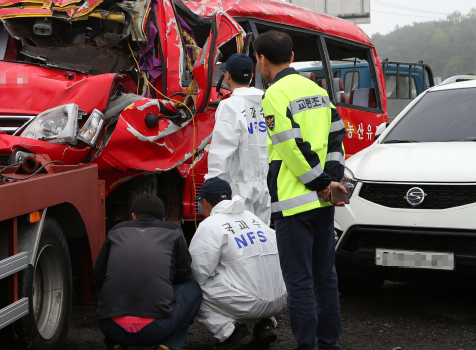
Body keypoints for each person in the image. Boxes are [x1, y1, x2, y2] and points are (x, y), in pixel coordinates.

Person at [254, 30, 348, 350]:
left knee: (300, 283)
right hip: (323, 203)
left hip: (294, 205)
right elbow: (337, 139)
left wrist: (320, 182)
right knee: (326, 279)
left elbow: (290, 146)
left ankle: (307, 346)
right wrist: (331, 182)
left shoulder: (275, 94)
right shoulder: (318, 91)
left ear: (261, 60)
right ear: (292, 57)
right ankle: (329, 345)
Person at [94, 193, 202, 350]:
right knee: (193, 288)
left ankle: (115, 343)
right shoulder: (174, 231)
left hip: (111, 327)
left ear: (133, 216)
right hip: (157, 328)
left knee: (101, 288)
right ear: (163, 219)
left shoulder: (116, 231)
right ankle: (168, 345)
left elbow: (98, 275)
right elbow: (184, 275)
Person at [189, 177, 287, 350]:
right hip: (280, 298)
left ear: (204, 201)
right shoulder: (251, 217)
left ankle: (232, 333)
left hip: (250, 303)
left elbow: (198, 272)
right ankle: (265, 325)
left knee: (192, 290)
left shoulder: (210, 225)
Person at [206, 53, 271, 224]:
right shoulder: (266, 102)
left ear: (227, 76)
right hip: (264, 187)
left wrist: (213, 186)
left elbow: (221, 150)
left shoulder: (230, 106)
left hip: (238, 191)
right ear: (251, 76)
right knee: (260, 237)